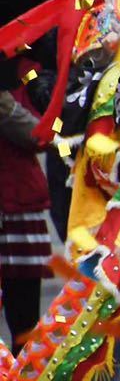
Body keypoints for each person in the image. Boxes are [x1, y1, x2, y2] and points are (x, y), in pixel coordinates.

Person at [0, 59, 52, 354]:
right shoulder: (5, 98)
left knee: (22, 309)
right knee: (23, 310)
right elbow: (38, 135)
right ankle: (20, 374)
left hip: (16, 206)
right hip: (15, 206)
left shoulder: (16, 82)